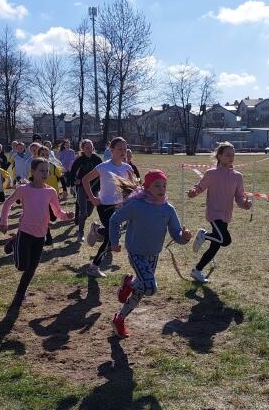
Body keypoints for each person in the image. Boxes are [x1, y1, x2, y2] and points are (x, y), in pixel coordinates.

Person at [109, 170, 193, 338]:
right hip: (136, 252)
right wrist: (114, 242)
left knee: (140, 292)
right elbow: (114, 220)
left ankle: (119, 319)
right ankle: (129, 282)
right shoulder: (136, 205)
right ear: (147, 187)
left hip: (153, 255)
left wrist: (185, 238)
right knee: (150, 287)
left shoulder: (168, 209)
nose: (161, 189)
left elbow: (176, 234)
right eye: (157, 185)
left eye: (164, 185)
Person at [0, 157, 74, 306]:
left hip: (41, 234)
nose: (45, 173)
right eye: (41, 170)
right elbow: (8, 204)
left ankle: (20, 293)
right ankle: (14, 242)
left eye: (47, 170)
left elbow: (57, 212)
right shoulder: (24, 189)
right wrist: (4, 223)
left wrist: (66, 216)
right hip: (25, 231)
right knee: (22, 266)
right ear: (32, 171)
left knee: (32, 267)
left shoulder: (51, 191)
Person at [187, 141, 252, 283]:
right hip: (214, 213)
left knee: (215, 246)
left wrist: (245, 204)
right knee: (225, 240)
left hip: (226, 215)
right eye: (228, 155)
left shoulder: (237, 176)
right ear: (219, 156)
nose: (231, 158)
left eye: (233, 155)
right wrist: (193, 192)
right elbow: (200, 186)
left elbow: (239, 196)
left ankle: (197, 271)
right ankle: (204, 235)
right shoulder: (211, 173)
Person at [82, 137, 133, 278]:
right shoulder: (103, 167)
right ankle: (94, 267)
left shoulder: (127, 168)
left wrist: (129, 199)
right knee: (111, 238)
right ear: (111, 150)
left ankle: (97, 230)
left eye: (124, 149)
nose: (123, 152)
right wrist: (92, 198)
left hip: (120, 207)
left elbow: (132, 187)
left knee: (112, 234)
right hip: (104, 206)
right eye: (119, 149)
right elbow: (85, 180)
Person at [70, 139, 102, 242]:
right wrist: (74, 181)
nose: (89, 149)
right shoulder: (79, 160)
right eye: (87, 147)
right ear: (82, 149)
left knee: (88, 213)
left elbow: (103, 173)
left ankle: (84, 221)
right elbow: (72, 172)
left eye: (91, 147)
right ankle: (80, 233)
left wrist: (101, 187)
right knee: (83, 213)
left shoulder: (97, 159)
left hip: (95, 188)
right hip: (82, 188)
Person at [37, 145, 66, 245]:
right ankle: (48, 237)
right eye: (42, 154)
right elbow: (31, 179)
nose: (45, 156)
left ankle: (49, 220)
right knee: (44, 217)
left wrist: (65, 190)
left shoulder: (53, 167)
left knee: (53, 218)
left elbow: (61, 178)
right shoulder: (35, 168)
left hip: (53, 195)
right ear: (38, 155)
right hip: (40, 196)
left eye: (47, 154)